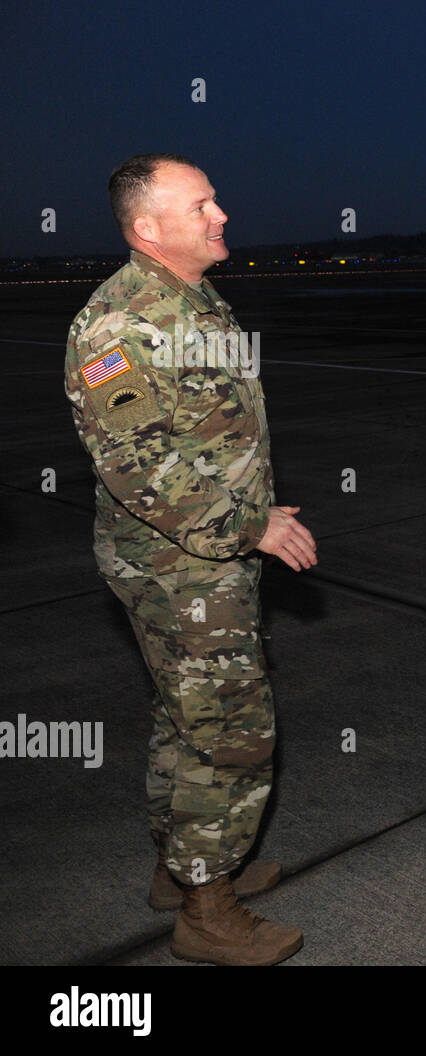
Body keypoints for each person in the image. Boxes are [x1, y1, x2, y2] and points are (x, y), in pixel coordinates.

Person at [65, 153, 316, 965]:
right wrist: (252, 528)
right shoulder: (119, 327)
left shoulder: (191, 296)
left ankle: (186, 873)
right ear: (148, 228)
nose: (223, 214)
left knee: (186, 717)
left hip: (200, 551)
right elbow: (144, 471)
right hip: (177, 566)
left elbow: (207, 437)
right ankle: (208, 912)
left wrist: (250, 508)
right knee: (232, 734)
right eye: (203, 204)